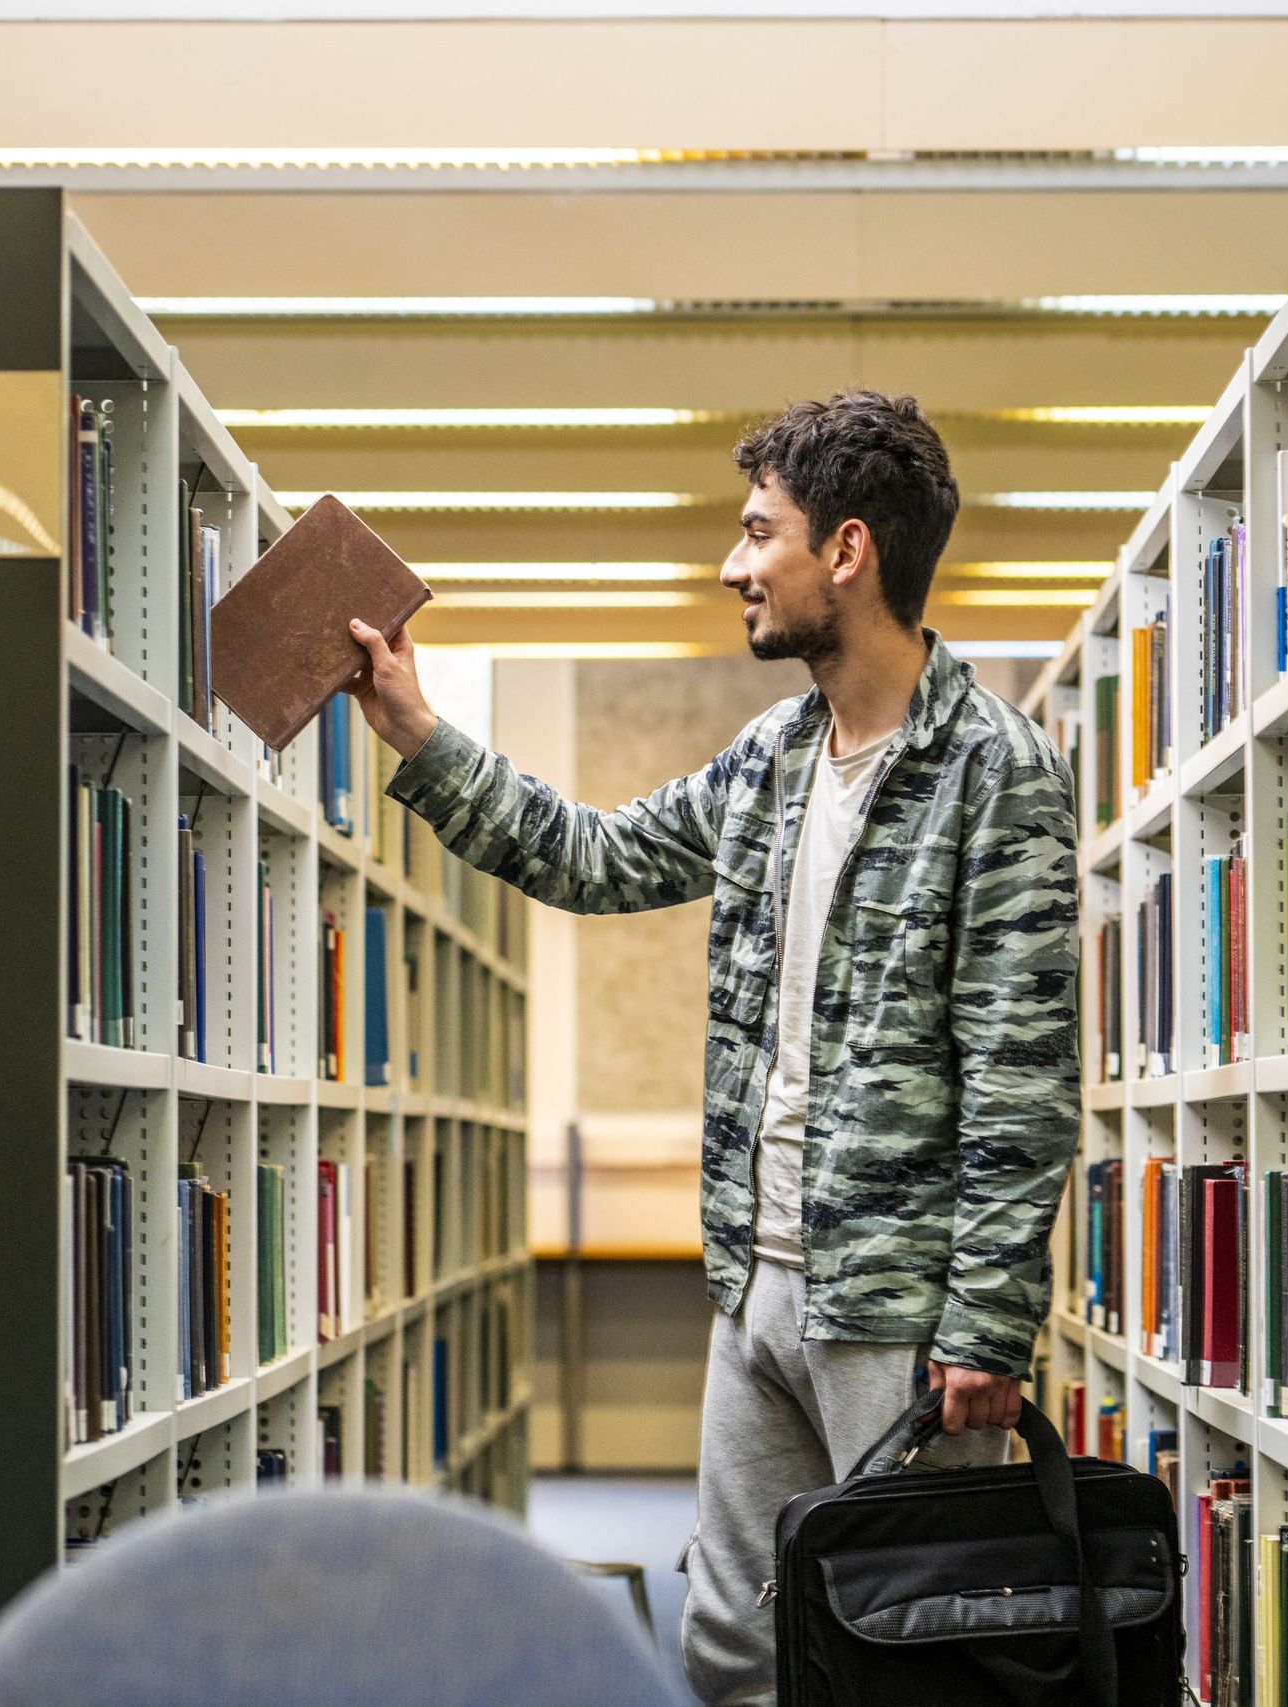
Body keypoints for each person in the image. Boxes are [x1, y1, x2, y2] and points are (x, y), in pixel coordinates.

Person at [347, 391, 1078, 1707]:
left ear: (845, 552)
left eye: (759, 533)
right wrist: (415, 729)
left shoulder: (997, 772)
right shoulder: (770, 764)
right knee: (737, 1642)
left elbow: (1023, 1073)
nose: (736, 566)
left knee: (919, 1651)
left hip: (906, 1318)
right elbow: (594, 855)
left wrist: (989, 1323)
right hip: (760, 1283)